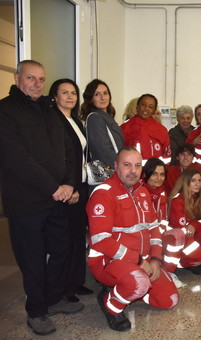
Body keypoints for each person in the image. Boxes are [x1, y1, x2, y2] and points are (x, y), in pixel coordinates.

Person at [0, 60, 83, 336]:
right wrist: (53, 187)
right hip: (26, 202)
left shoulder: (50, 109)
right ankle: (36, 312)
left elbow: (69, 150)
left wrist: (70, 184)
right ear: (17, 78)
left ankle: (53, 297)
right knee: (33, 259)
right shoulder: (6, 110)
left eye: (41, 79)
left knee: (62, 248)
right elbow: (16, 158)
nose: (36, 83)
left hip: (57, 198)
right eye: (31, 78)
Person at [87, 147, 178, 332]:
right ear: (115, 166)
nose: (133, 171)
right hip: (109, 261)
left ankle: (130, 290)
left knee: (169, 300)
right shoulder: (103, 194)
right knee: (138, 282)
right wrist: (139, 261)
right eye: (127, 165)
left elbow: (154, 229)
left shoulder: (142, 191)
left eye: (137, 166)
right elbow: (101, 241)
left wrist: (155, 260)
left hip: (142, 260)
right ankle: (111, 304)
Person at [48, 78, 93, 302]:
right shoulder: (53, 120)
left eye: (73, 93)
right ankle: (64, 289)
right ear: (54, 96)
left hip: (81, 186)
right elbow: (61, 159)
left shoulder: (75, 119)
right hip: (68, 190)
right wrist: (72, 186)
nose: (69, 97)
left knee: (78, 237)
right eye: (64, 92)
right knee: (65, 241)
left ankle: (76, 282)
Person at [165, 168, 201, 274]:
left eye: (199, 180)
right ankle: (176, 266)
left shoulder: (198, 198)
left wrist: (194, 225)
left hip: (189, 232)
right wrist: (194, 225)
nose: (198, 184)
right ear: (185, 182)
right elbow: (182, 229)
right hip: (175, 238)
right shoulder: (177, 200)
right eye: (193, 180)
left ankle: (191, 261)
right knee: (198, 256)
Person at [80, 79, 124, 171]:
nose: (103, 98)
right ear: (90, 98)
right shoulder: (94, 118)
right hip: (108, 173)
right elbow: (104, 151)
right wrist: (121, 168)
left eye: (105, 93)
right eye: (97, 94)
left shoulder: (107, 117)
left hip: (114, 169)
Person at [121, 93, 171, 164]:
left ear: (154, 111)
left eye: (150, 107)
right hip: (131, 172)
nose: (146, 108)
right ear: (137, 107)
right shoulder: (125, 127)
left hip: (155, 173)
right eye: (143, 104)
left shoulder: (161, 130)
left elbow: (167, 157)